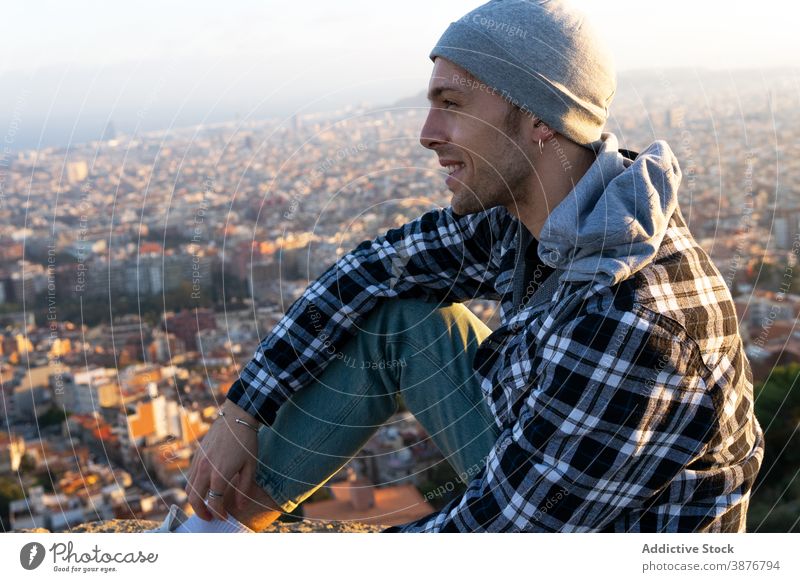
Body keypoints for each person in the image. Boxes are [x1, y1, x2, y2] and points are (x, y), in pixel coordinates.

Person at [180, 0, 764, 533]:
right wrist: (243, 408)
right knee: (406, 319)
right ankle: (217, 528)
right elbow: (373, 269)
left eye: (452, 105)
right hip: (541, 465)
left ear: (540, 119)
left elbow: (489, 541)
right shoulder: (536, 215)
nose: (427, 134)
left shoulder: (634, 325)